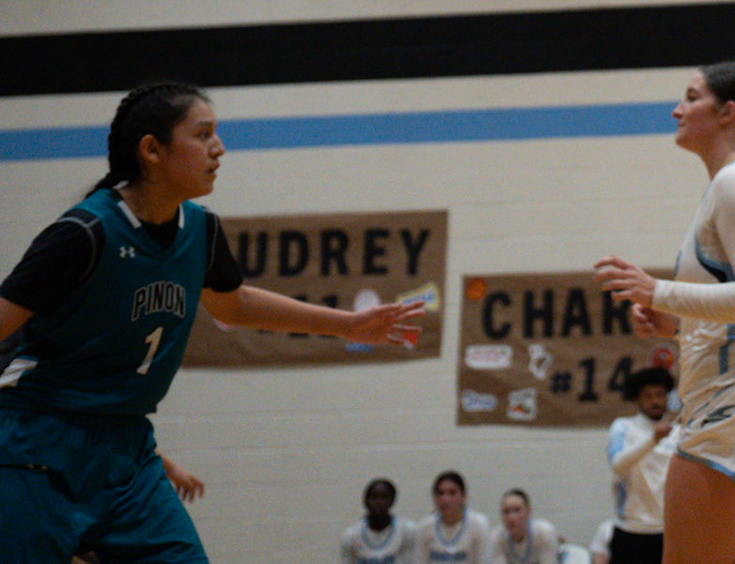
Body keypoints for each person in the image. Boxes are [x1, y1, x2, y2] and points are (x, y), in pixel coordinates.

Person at [0, 82, 425, 564]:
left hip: (127, 446)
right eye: (203, 135)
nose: (219, 148)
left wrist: (347, 325)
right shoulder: (85, 233)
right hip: (38, 441)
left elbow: (234, 305)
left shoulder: (200, 230)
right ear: (152, 150)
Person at [595, 62, 735, 564]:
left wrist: (659, 291)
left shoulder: (734, 183)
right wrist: (678, 323)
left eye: (691, 97)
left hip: (734, 406)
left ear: (728, 112)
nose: (677, 109)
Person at [609, 366, 681, 564]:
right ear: (636, 399)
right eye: (648, 396)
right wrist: (653, 439)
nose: (655, 401)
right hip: (631, 530)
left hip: (669, 531)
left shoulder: (679, 432)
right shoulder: (622, 427)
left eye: (660, 395)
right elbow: (617, 465)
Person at [421, 471, 491, 564]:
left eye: (452, 493)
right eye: (440, 493)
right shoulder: (424, 527)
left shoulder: (479, 524)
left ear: (464, 496)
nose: (445, 499)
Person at [344, 478, 418, 564]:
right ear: (366, 501)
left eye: (384, 498)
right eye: (374, 497)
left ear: (392, 501)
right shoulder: (351, 535)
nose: (379, 502)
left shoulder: (408, 530)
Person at [487, 490, 560, 564]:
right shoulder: (496, 537)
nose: (511, 517)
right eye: (506, 511)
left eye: (517, 510)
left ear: (528, 511)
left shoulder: (544, 533)